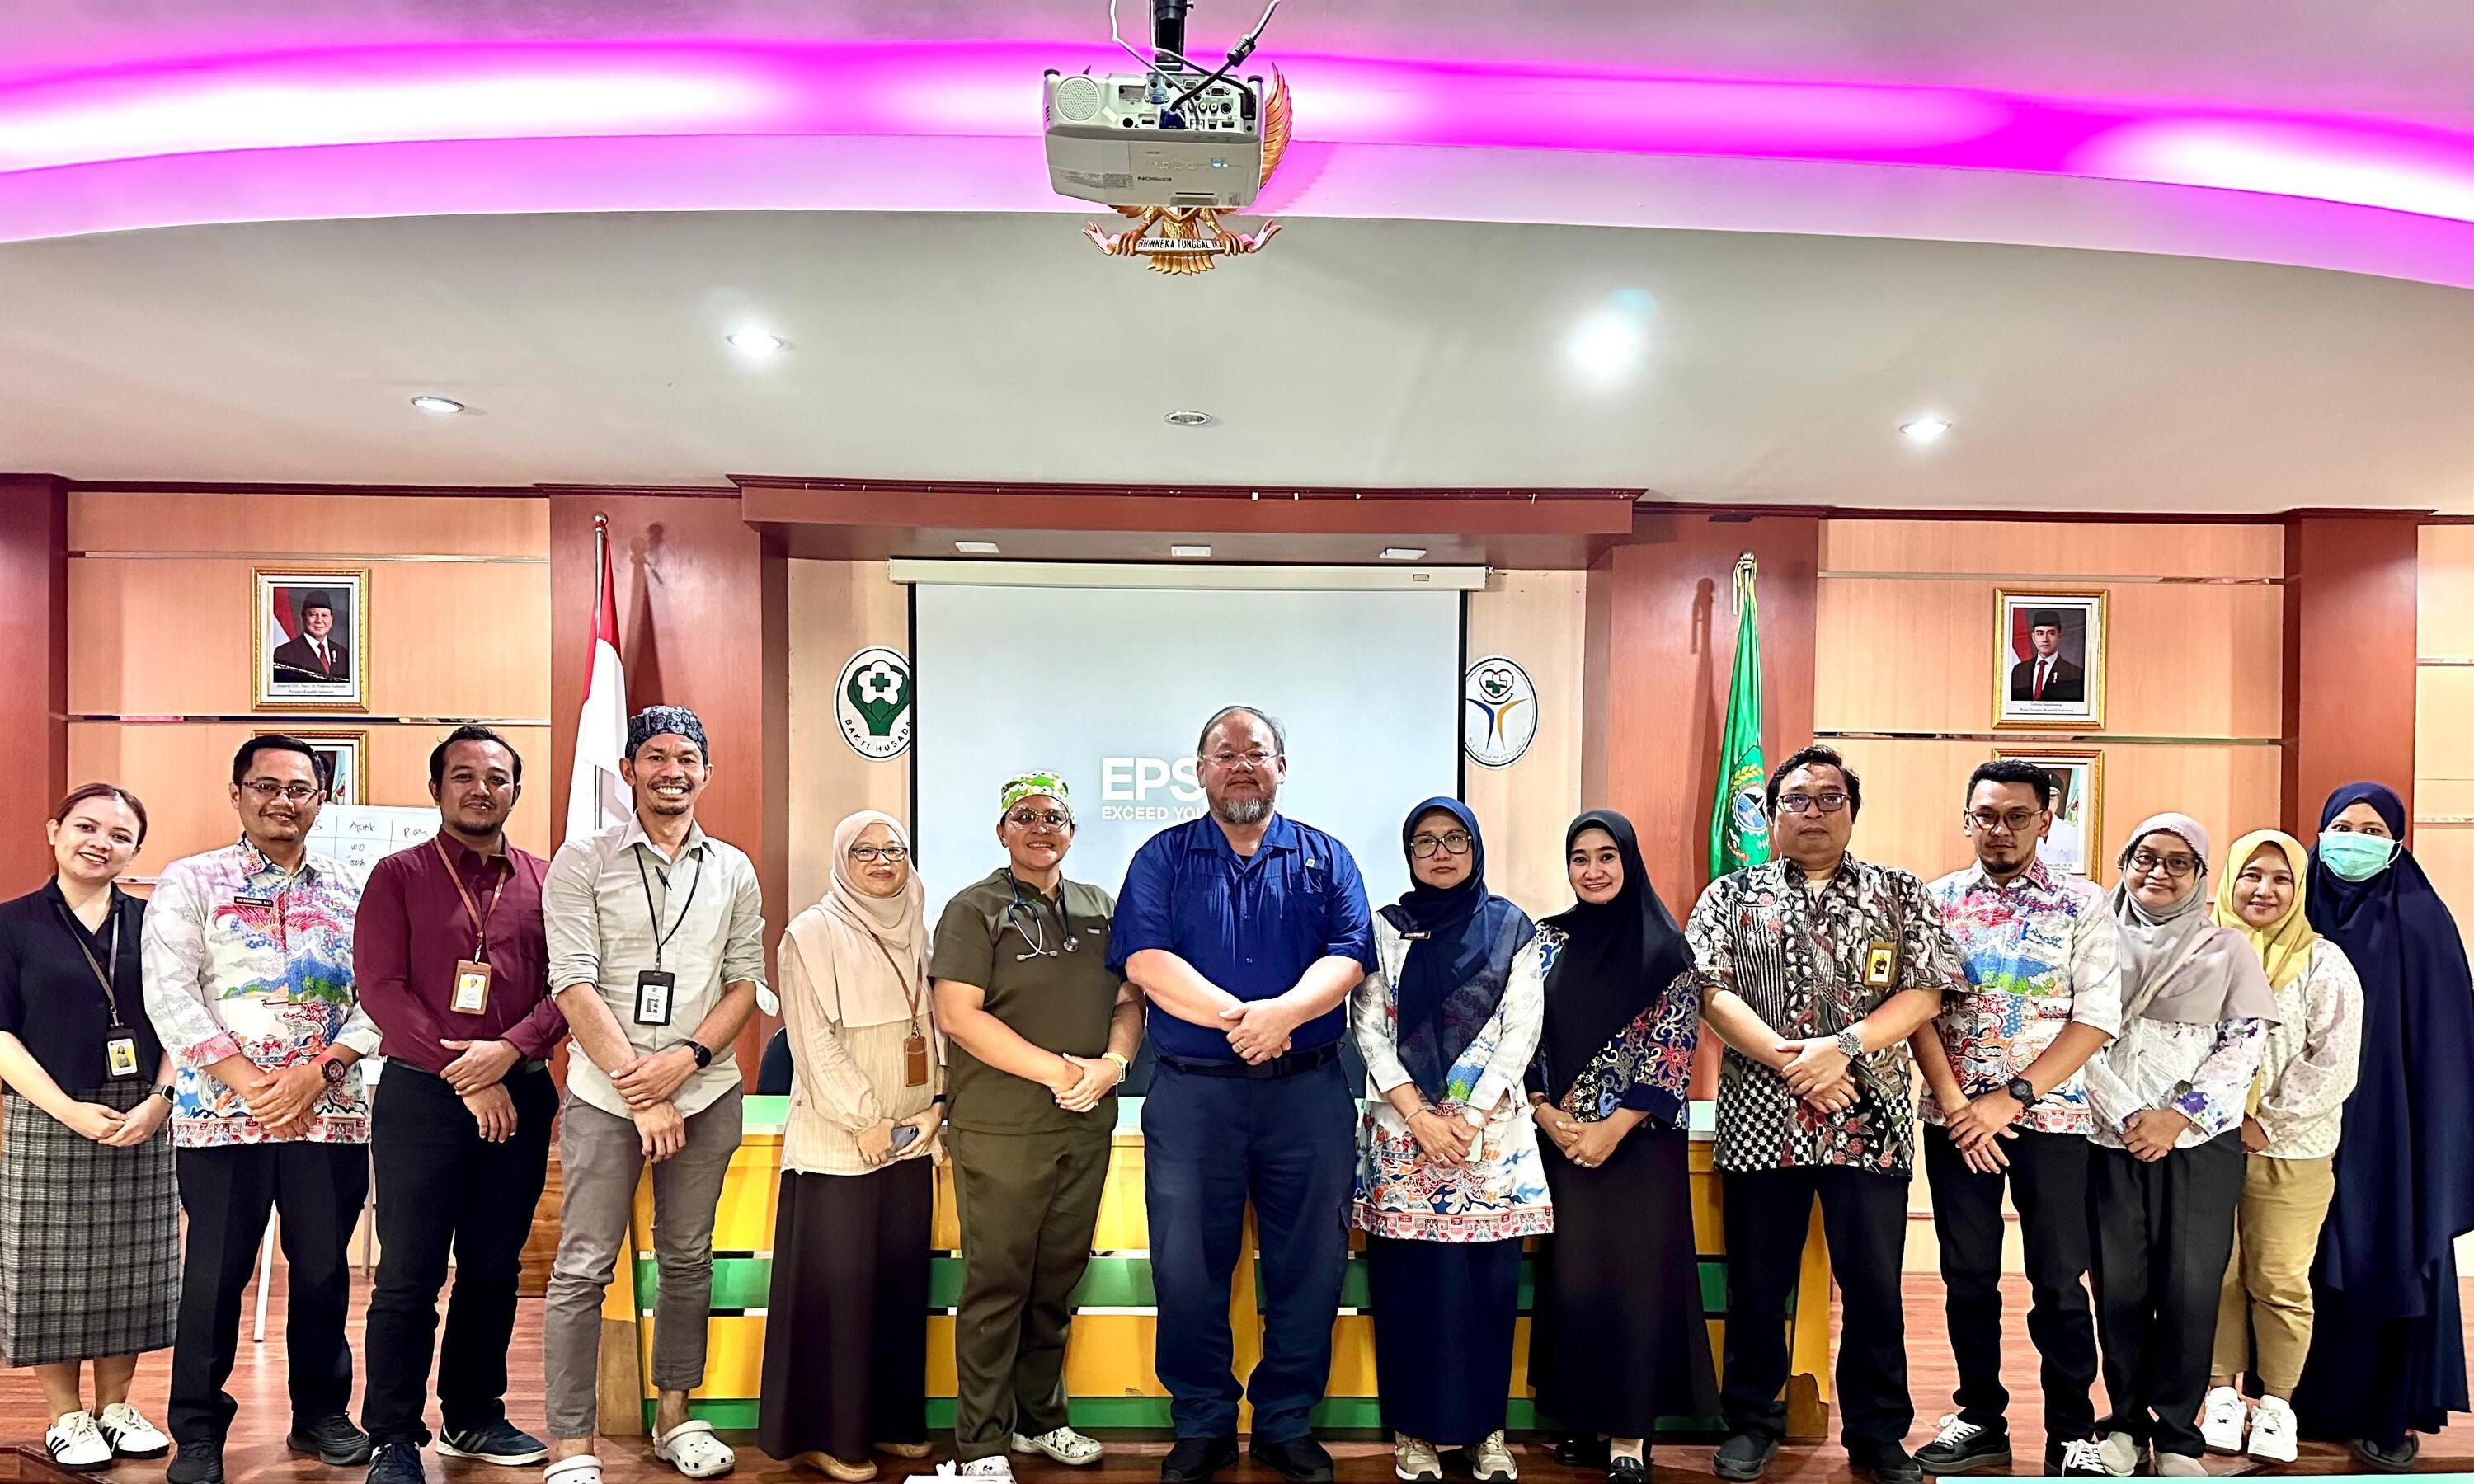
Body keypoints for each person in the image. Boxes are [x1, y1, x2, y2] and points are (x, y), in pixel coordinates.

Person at [1685, 744, 1964, 1484]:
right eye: (1797, 800)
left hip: (1869, 1124)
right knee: (1757, 1283)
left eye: (1829, 799)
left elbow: (1926, 992)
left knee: (1872, 1288)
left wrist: (1841, 1049)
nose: (1813, 812)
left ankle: (1877, 1434)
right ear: (1772, 813)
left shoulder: (1899, 893)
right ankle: (1752, 1423)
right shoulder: (1729, 896)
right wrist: (1794, 1063)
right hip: (1761, 1119)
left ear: (1852, 811)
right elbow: (1709, 992)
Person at [1109, 706, 1373, 1484]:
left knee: (1309, 1265)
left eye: (1255, 752)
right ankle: (1203, 1425)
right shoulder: (1161, 858)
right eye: (1224, 754)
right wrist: (1248, 1021)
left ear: (1280, 766)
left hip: (1308, 1096)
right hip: (1195, 1098)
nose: (1241, 765)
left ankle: (1286, 1424)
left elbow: (1350, 955)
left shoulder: (1326, 857)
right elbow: (1145, 961)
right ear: (1200, 772)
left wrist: (1284, 1015)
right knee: (1187, 1268)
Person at [142, 735, 381, 1484]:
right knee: (214, 1278)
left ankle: (320, 1415)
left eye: (300, 788)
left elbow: (381, 995)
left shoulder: (355, 887)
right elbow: (169, 993)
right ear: (238, 793)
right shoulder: (191, 880)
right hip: (222, 1118)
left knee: (324, 1275)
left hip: (329, 1115)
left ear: (322, 798)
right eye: (266, 786)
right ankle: (198, 1431)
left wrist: (318, 1073)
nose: (284, 800)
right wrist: (254, 1085)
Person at [539, 707, 767, 1484]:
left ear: (706, 772)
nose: (674, 771)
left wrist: (687, 1060)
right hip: (608, 1095)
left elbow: (745, 981)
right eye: (658, 757)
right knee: (583, 1267)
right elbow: (571, 982)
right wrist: (642, 1090)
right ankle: (572, 1441)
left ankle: (675, 1415)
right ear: (630, 770)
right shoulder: (583, 859)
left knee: (688, 1259)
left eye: (687, 759)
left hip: (706, 1089)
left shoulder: (733, 868)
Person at [356, 727, 567, 1483]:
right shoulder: (397, 876)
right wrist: (467, 1075)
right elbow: (380, 987)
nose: (482, 789)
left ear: (516, 791)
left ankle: (473, 1416)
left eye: (497, 778)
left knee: (492, 1268)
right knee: (408, 1274)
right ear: (436, 788)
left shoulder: (548, 881)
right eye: (464, 776)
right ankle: (392, 1436)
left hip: (522, 1092)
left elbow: (571, 985)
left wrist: (508, 1053)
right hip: (421, 1095)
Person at [1910, 760, 2121, 1479]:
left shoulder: (2083, 903)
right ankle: (1979, 1419)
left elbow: (2095, 1019)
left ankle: (2072, 1434)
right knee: (1967, 1275)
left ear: (2045, 821)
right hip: (1955, 1123)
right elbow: (1918, 1011)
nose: (2000, 830)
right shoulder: (1935, 901)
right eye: (1987, 815)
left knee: (2059, 1281)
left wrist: (2012, 1098)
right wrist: (1959, 1107)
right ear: (1967, 819)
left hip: (2051, 1121)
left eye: (2018, 816)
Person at [931, 776, 1142, 1483]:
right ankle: (981, 1441)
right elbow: (958, 1015)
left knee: (1056, 1282)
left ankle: (1040, 1420)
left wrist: (1113, 1065)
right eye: (1025, 816)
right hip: (1002, 1129)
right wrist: (1060, 1071)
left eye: (1055, 817)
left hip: (1083, 1127)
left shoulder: (1101, 908)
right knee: (997, 1286)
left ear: (1073, 833)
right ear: (1002, 832)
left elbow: (1129, 1001)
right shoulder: (974, 909)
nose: (1041, 828)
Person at [1351, 800, 1551, 1484]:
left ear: (1475, 847)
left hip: (1486, 1143)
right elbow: (1368, 1026)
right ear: (1409, 854)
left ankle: (1485, 1431)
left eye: (1455, 839)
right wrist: (1420, 1116)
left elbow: (1522, 1027)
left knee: (1485, 1291)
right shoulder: (1385, 927)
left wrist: (1465, 1117)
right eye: (1425, 842)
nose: (1441, 853)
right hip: (1404, 1138)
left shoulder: (1512, 927)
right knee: (1409, 1290)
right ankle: (1413, 1432)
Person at [2081, 814, 2275, 1478]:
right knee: (2120, 1287)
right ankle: (2124, 1422)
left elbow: (2243, 1048)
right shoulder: (2090, 938)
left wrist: (2176, 1119)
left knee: (2191, 1289)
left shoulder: (2227, 949)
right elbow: (2069, 1039)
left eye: (2177, 862)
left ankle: (2178, 1435)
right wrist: (2129, 1114)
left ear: (2199, 874)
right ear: (2123, 863)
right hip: (2109, 1138)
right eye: (2145, 858)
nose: (2158, 873)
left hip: (2199, 1145)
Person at [1523, 810, 1714, 1483]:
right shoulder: (1545, 941)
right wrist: (1545, 1111)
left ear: (1629, 861)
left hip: (1638, 1148)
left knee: (1635, 1283)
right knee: (1575, 1281)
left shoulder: (1667, 949)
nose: (1593, 870)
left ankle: (1630, 1431)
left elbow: (1672, 1050)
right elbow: (1524, 1034)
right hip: (1563, 1141)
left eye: (1607, 856)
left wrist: (1613, 1127)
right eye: (1580, 858)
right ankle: (1579, 1419)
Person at [2289, 782, 2474, 1473]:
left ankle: (2388, 1417)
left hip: (2393, 1133)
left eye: (2372, 831)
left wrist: (2436, 1142)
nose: (2354, 841)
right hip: (2297, 1123)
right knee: (2292, 1264)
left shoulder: (2424, 921)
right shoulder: (2295, 909)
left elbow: (2448, 1041)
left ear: (2397, 842)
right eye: (2342, 826)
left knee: (2387, 1260)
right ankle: (2293, 1406)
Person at [756, 811, 944, 1480]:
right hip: (841, 1144)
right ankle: (829, 1435)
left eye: (894, 849)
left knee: (898, 1284)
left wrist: (937, 1107)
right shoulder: (810, 934)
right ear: (842, 860)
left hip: (912, 1137)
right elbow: (811, 1043)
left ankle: (891, 1422)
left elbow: (938, 1026)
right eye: (865, 851)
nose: (883, 861)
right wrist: (865, 1120)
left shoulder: (917, 925)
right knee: (839, 1292)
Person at [0, 785, 176, 1472]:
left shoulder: (156, 922)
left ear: (136, 850)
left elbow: (183, 1018)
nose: (100, 842)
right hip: (51, 1110)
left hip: (141, 1114)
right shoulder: (13, 924)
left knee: (131, 1269)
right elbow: (2, 1035)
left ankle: (116, 1407)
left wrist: (161, 1099)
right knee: (47, 1268)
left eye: (120, 835)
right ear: (55, 831)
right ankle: (65, 1417)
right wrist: (67, 1110)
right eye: (86, 826)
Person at [2200, 831, 2360, 1464]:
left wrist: (2265, 1121)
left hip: (2292, 1148)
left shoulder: (2325, 963)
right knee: (2215, 1271)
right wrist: (2214, 1116)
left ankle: (2277, 1404)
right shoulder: (2200, 950)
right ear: (2229, 880)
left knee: (2280, 1277)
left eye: (2281, 878)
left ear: (2299, 888)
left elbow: (2334, 1062)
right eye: (2251, 875)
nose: (2264, 889)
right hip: (2204, 1141)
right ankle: (2219, 1394)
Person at [272, 592, 350, 683]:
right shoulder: (284, 653)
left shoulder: (342, 653)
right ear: (303, 617)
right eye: (313, 615)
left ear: (331, 619)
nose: (319, 621)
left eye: (324, 615)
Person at [2007, 611, 2082, 703]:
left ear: (2059, 636)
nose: (2045, 639)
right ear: (2033, 637)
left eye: (2051, 633)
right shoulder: (2019, 670)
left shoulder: (2075, 674)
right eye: (2040, 633)